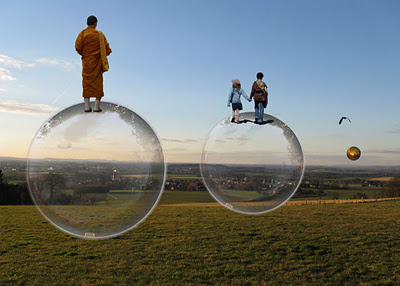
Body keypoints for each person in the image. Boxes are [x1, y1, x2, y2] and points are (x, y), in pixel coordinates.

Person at [75, 15, 112, 112]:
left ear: (87, 23)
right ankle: (96, 106)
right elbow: (106, 48)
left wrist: (86, 54)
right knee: (98, 84)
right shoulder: (99, 35)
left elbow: (78, 47)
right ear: (96, 23)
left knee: (86, 83)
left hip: (87, 62)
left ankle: (87, 106)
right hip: (97, 62)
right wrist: (102, 54)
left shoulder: (82, 34)